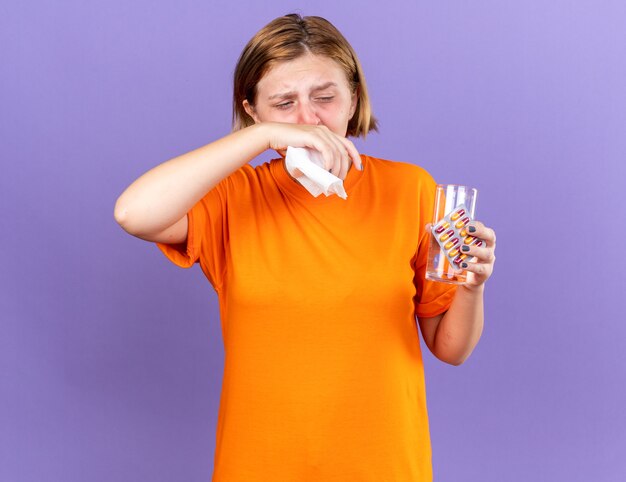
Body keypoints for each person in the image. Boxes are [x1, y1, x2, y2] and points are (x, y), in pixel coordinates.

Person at [114, 13, 496, 481]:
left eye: (324, 97)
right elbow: (133, 213)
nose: (308, 120)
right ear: (252, 109)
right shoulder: (234, 196)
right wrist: (260, 139)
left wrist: (473, 287)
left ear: (354, 98)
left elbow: (450, 348)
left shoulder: (411, 190)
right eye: (283, 103)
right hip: (259, 464)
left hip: (384, 464)